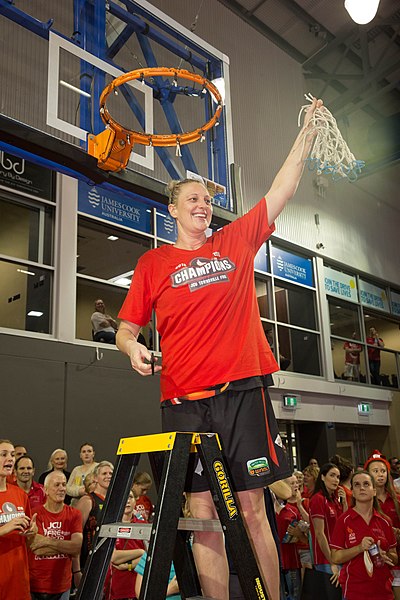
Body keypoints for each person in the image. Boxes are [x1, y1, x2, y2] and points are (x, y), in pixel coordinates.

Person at [116, 97, 324, 600]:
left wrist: (308, 133)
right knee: (203, 512)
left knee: (254, 507)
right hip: (184, 401)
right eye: (192, 199)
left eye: (206, 199)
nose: (202, 205)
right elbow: (126, 328)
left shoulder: (233, 242)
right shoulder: (153, 264)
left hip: (241, 393)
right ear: (172, 210)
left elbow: (281, 189)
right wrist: (131, 349)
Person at [331, 470, 397, 600]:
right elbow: (335, 557)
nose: (361, 488)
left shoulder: (385, 521)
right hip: (355, 592)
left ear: (374, 491)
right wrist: (359, 548)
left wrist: (385, 555)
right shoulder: (344, 520)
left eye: (366, 484)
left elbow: (395, 558)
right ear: (353, 492)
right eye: (357, 485)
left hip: (383, 592)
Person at [28, 471, 83, 600]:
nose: (62, 489)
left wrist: (46, 541)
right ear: (46, 490)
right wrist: (65, 545)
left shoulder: (74, 514)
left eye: (64, 484)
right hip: (35, 585)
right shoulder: (35, 514)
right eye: (57, 485)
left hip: (62, 586)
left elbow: (75, 548)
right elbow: (37, 549)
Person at [0, 439, 37, 600]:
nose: (10, 458)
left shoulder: (20, 494)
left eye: (12, 455)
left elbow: (28, 540)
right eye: (3, 454)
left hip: (18, 580)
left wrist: (32, 532)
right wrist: (4, 529)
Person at [365, 450, 400, 598]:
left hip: (396, 557)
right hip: (375, 559)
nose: (380, 474)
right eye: (375, 471)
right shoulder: (364, 501)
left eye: (383, 471)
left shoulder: (397, 499)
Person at [308, 463, 347, 585]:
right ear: (323, 477)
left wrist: (344, 502)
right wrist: (332, 562)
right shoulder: (318, 499)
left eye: (338, 477)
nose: (336, 480)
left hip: (340, 555)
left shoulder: (335, 500)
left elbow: (345, 524)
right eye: (332, 475)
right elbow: (320, 534)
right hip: (325, 559)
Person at [104, 490, 146, 600]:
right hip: (115, 588)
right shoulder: (109, 525)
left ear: (135, 502)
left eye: (130, 497)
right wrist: (141, 553)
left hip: (137, 588)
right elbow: (113, 557)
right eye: (124, 497)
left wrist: (128, 565)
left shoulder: (144, 526)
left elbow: (150, 557)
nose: (127, 501)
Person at [75, 460, 113, 569]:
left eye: (111, 473)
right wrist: (76, 569)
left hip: (109, 558)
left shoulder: (114, 501)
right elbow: (76, 534)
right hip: (88, 560)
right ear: (96, 478)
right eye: (104, 474)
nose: (108, 476)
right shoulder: (88, 500)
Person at [276, 475, 309, 599]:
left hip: (291, 560)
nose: (296, 485)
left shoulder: (293, 510)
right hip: (276, 560)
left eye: (297, 483)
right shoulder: (268, 510)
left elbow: (306, 536)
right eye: (292, 483)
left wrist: (298, 533)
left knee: (294, 595)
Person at [66, 442, 98, 506]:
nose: (86, 454)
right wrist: (79, 491)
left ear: (93, 454)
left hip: (92, 503)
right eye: (84, 452)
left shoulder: (98, 467)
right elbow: (67, 488)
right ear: (80, 455)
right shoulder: (76, 469)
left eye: (89, 451)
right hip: (75, 505)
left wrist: (86, 490)